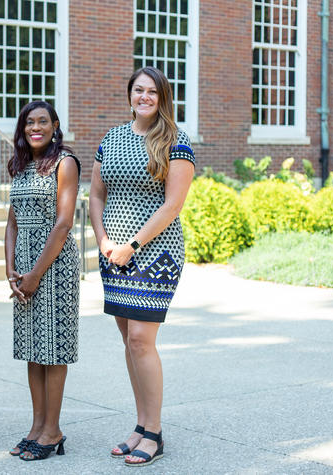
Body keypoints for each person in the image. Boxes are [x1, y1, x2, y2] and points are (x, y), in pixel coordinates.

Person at [89, 66, 195, 467]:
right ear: (130, 94)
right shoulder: (112, 138)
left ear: (162, 97)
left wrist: (133, 244)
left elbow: (173, 205)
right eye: (139, 90)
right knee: (128, 342)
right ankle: (140, 424)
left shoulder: (175, 142)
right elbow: (96, 196)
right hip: (112, 255)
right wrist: (103, 241)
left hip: (156, 254)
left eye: (153, 92)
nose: (145, 97)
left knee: (140, 340)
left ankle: (154, 433)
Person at [5, 101, 80, 462]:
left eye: (42, 122)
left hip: (55, 265)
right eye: (29, 122)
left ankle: (54, 430)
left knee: (54, 349)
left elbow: (63, 224)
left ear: (54, 125)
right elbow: (12, 223)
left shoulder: (64, 163)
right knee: (33, 351)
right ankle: (37, 427)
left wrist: (35, 274)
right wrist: (11, 271)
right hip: (24, 271)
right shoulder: (20, 167)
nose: (35, 127)